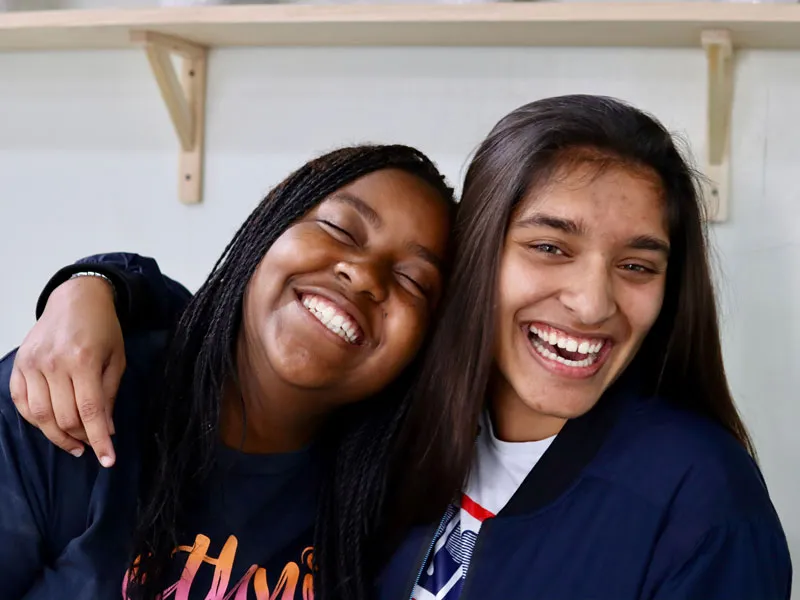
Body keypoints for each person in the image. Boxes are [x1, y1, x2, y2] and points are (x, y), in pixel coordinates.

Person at [10, 95, 793, 600]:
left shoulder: (696, 501)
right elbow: (227, 332)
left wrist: (93, 283)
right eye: (551, 247)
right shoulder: (393, 436)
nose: (591, 302)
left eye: (637, 266)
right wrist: (93, 284)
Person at [0, 144, 456, 600]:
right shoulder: (72, 392)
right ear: (273, 221)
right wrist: (93, 282)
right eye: (340, 228)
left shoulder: (394, 509)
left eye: (414, 281)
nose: (364, 276)